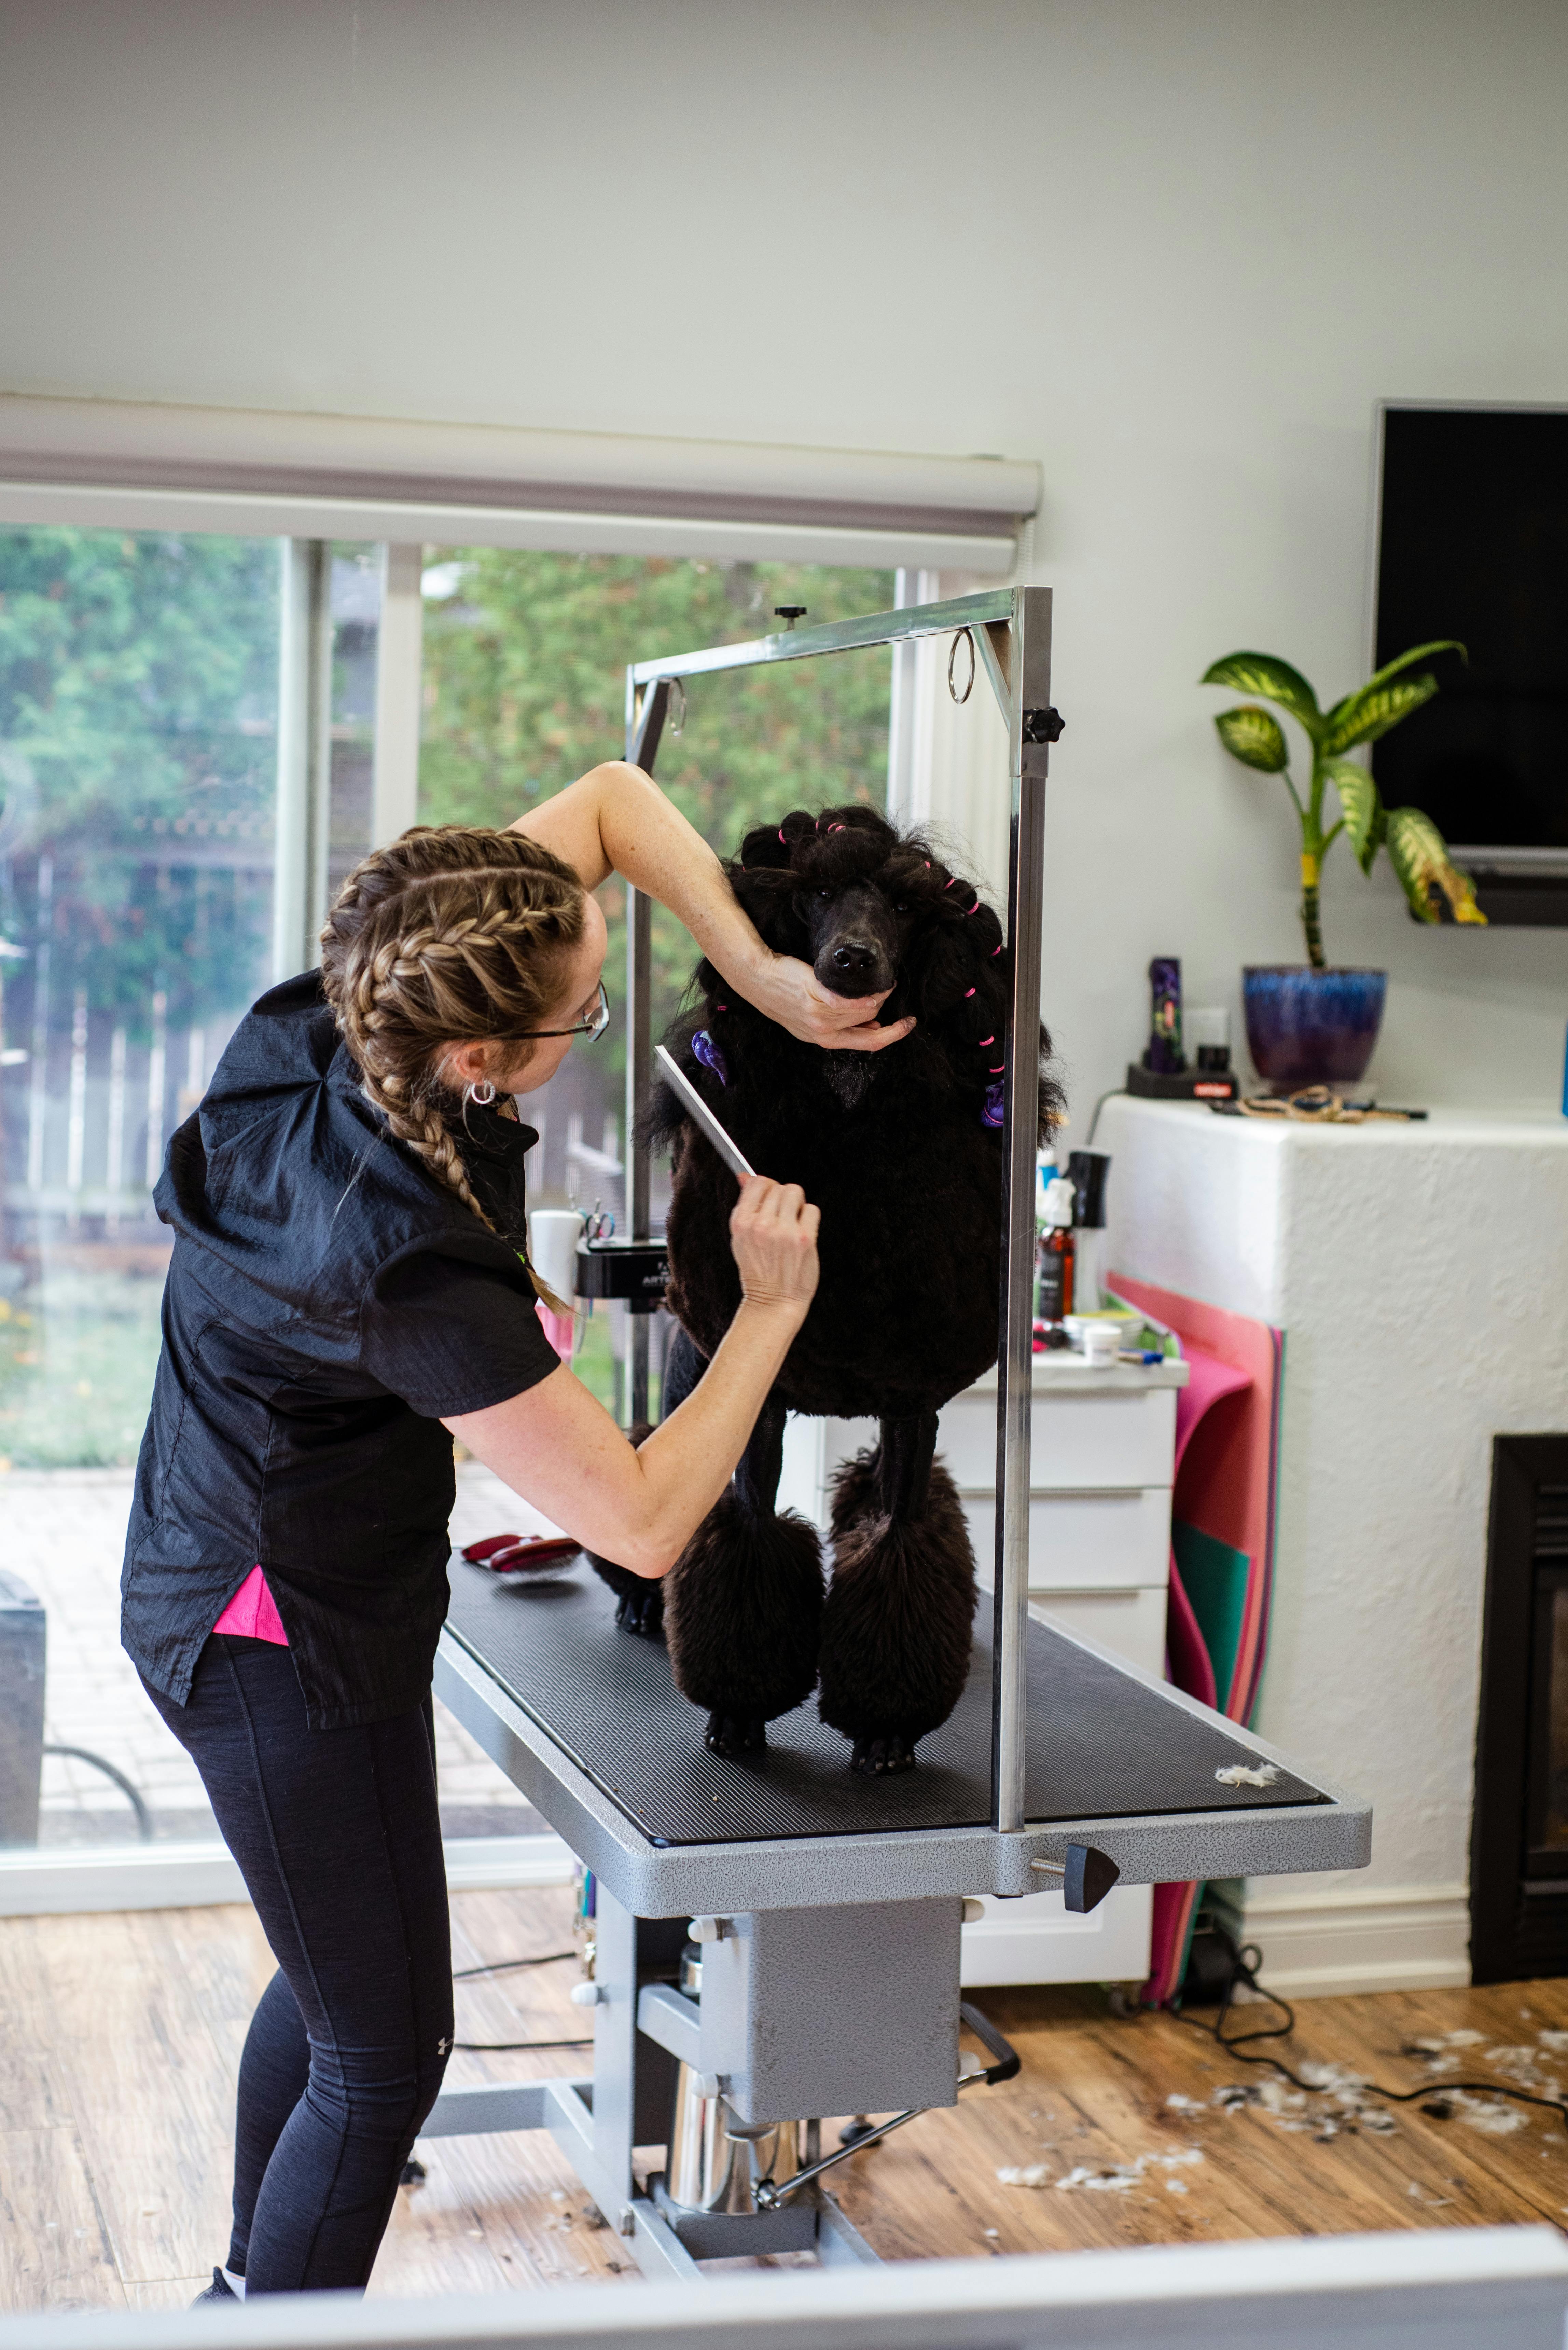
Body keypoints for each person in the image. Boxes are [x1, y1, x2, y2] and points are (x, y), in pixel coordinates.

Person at [121, 761, 915, 2301]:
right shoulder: (405, 1265)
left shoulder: (325, 1017)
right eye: (581, 1013)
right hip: (268, 1638)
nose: (588, 1015)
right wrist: (767, 1312)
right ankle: (257, 2321)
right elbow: (637, 1518)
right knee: (386, 2049)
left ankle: (243, 2292)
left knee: (343, 1976)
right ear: (484, 1052)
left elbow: (613, 802)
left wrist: (772, 983)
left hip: (225, 1570)